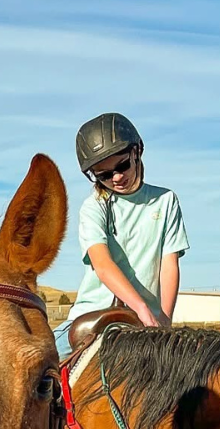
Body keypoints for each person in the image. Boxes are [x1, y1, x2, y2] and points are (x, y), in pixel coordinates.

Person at [59, 113, 189, 354]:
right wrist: (139, 305)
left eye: (122, 166)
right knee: (40, 373)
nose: (117, 178)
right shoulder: (94, 206)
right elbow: (102, 263)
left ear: (137, 151)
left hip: (146, 321)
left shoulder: (165, 201)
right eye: (104, 175)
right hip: (92, 317)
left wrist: (164, 319)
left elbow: (169, 264)